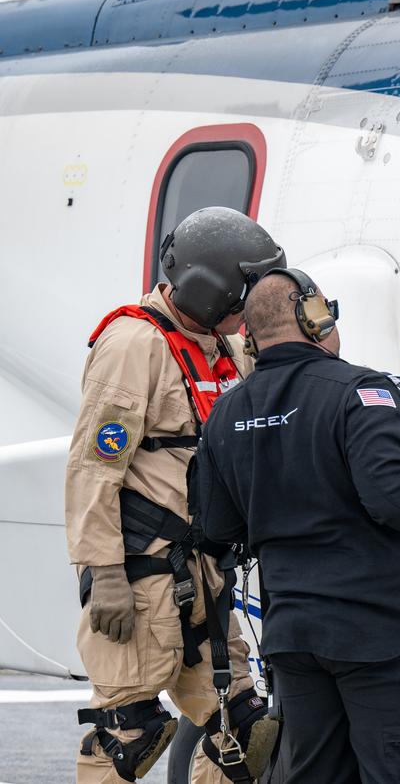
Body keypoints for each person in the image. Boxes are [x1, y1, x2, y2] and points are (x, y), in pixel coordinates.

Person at [194, 269, 400, 783]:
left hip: (295, 634)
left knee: (314, 773)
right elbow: (392, 493)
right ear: (315, 318)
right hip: (382, 630)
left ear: (249, 333)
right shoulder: (360, 391)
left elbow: (217, 529)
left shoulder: (225, 413)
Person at [66, 206, 285, 783]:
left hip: (205, 576)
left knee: (244, 731)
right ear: (214, 291)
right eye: (246, 293)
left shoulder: (222, 347)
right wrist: (104, 572)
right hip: (140, 583)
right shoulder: (133, 345)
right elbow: (93, 468)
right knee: (128, 735)